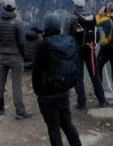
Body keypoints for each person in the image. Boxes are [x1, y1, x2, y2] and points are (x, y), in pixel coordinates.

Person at [32, 13, 82, 146]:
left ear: (46, 27)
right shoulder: (67, 42)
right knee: (67, 123)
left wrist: (37, 91)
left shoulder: (43, 45)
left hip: (47, 96)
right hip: (63, 91)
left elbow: (36, 72)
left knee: (53, 129)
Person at [0, 0, 32, 119]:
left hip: (3, 56)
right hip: (16, 57)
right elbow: (22, 43)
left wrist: (0, 50)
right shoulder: (18, 23)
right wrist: (22, 55)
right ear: (14, 8)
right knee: (16, 84)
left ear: (3, 7)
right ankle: (20, 112)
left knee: (0, 82)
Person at [65, 0, 108, 110]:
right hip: (90, 50)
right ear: (83, 6)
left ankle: (82, 103)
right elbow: (97, 35)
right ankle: (102, 100)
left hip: (77, 51)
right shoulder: (92, 17)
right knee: (95, 74)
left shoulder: (71, 18)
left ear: (75, 5)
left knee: (79, 77)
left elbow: (66, 37)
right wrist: (92, 45)